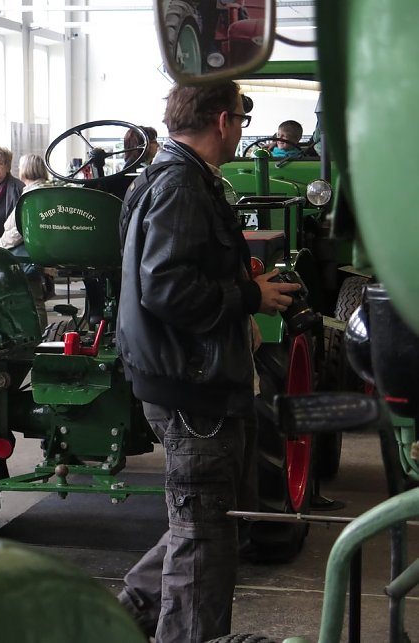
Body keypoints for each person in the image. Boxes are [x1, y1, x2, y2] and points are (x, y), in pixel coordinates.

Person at [115, 81, 301, 642]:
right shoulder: (180, 186)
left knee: (208, 522)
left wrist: (239, 287)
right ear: (223, 121)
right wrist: (250, 299)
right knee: (205, 547)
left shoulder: (172, 178)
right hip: (192, 389)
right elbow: (167, 289)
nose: (243, 131)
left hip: (188, 378)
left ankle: (124, 615)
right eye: (241, 121)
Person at [0, 153, 51, 327]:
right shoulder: (41, 191)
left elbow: (21, 228)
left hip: (26, 256)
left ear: (27, 169)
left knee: (34, 301)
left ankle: (38, 338)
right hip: (35, 254)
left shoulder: (33, 195)